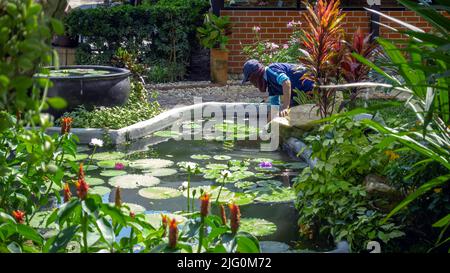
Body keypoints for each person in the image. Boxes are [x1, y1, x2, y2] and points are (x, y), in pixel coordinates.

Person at [241, 59, 314, 117]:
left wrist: (285, 107)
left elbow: (286, 82)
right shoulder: (271, 86)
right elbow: (274, 109)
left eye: (250, 79)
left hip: (312, 87)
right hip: (302, 96)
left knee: (288, 111)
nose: (252, 82)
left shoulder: (271, 71)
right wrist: (266, 129)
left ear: (255, 76)